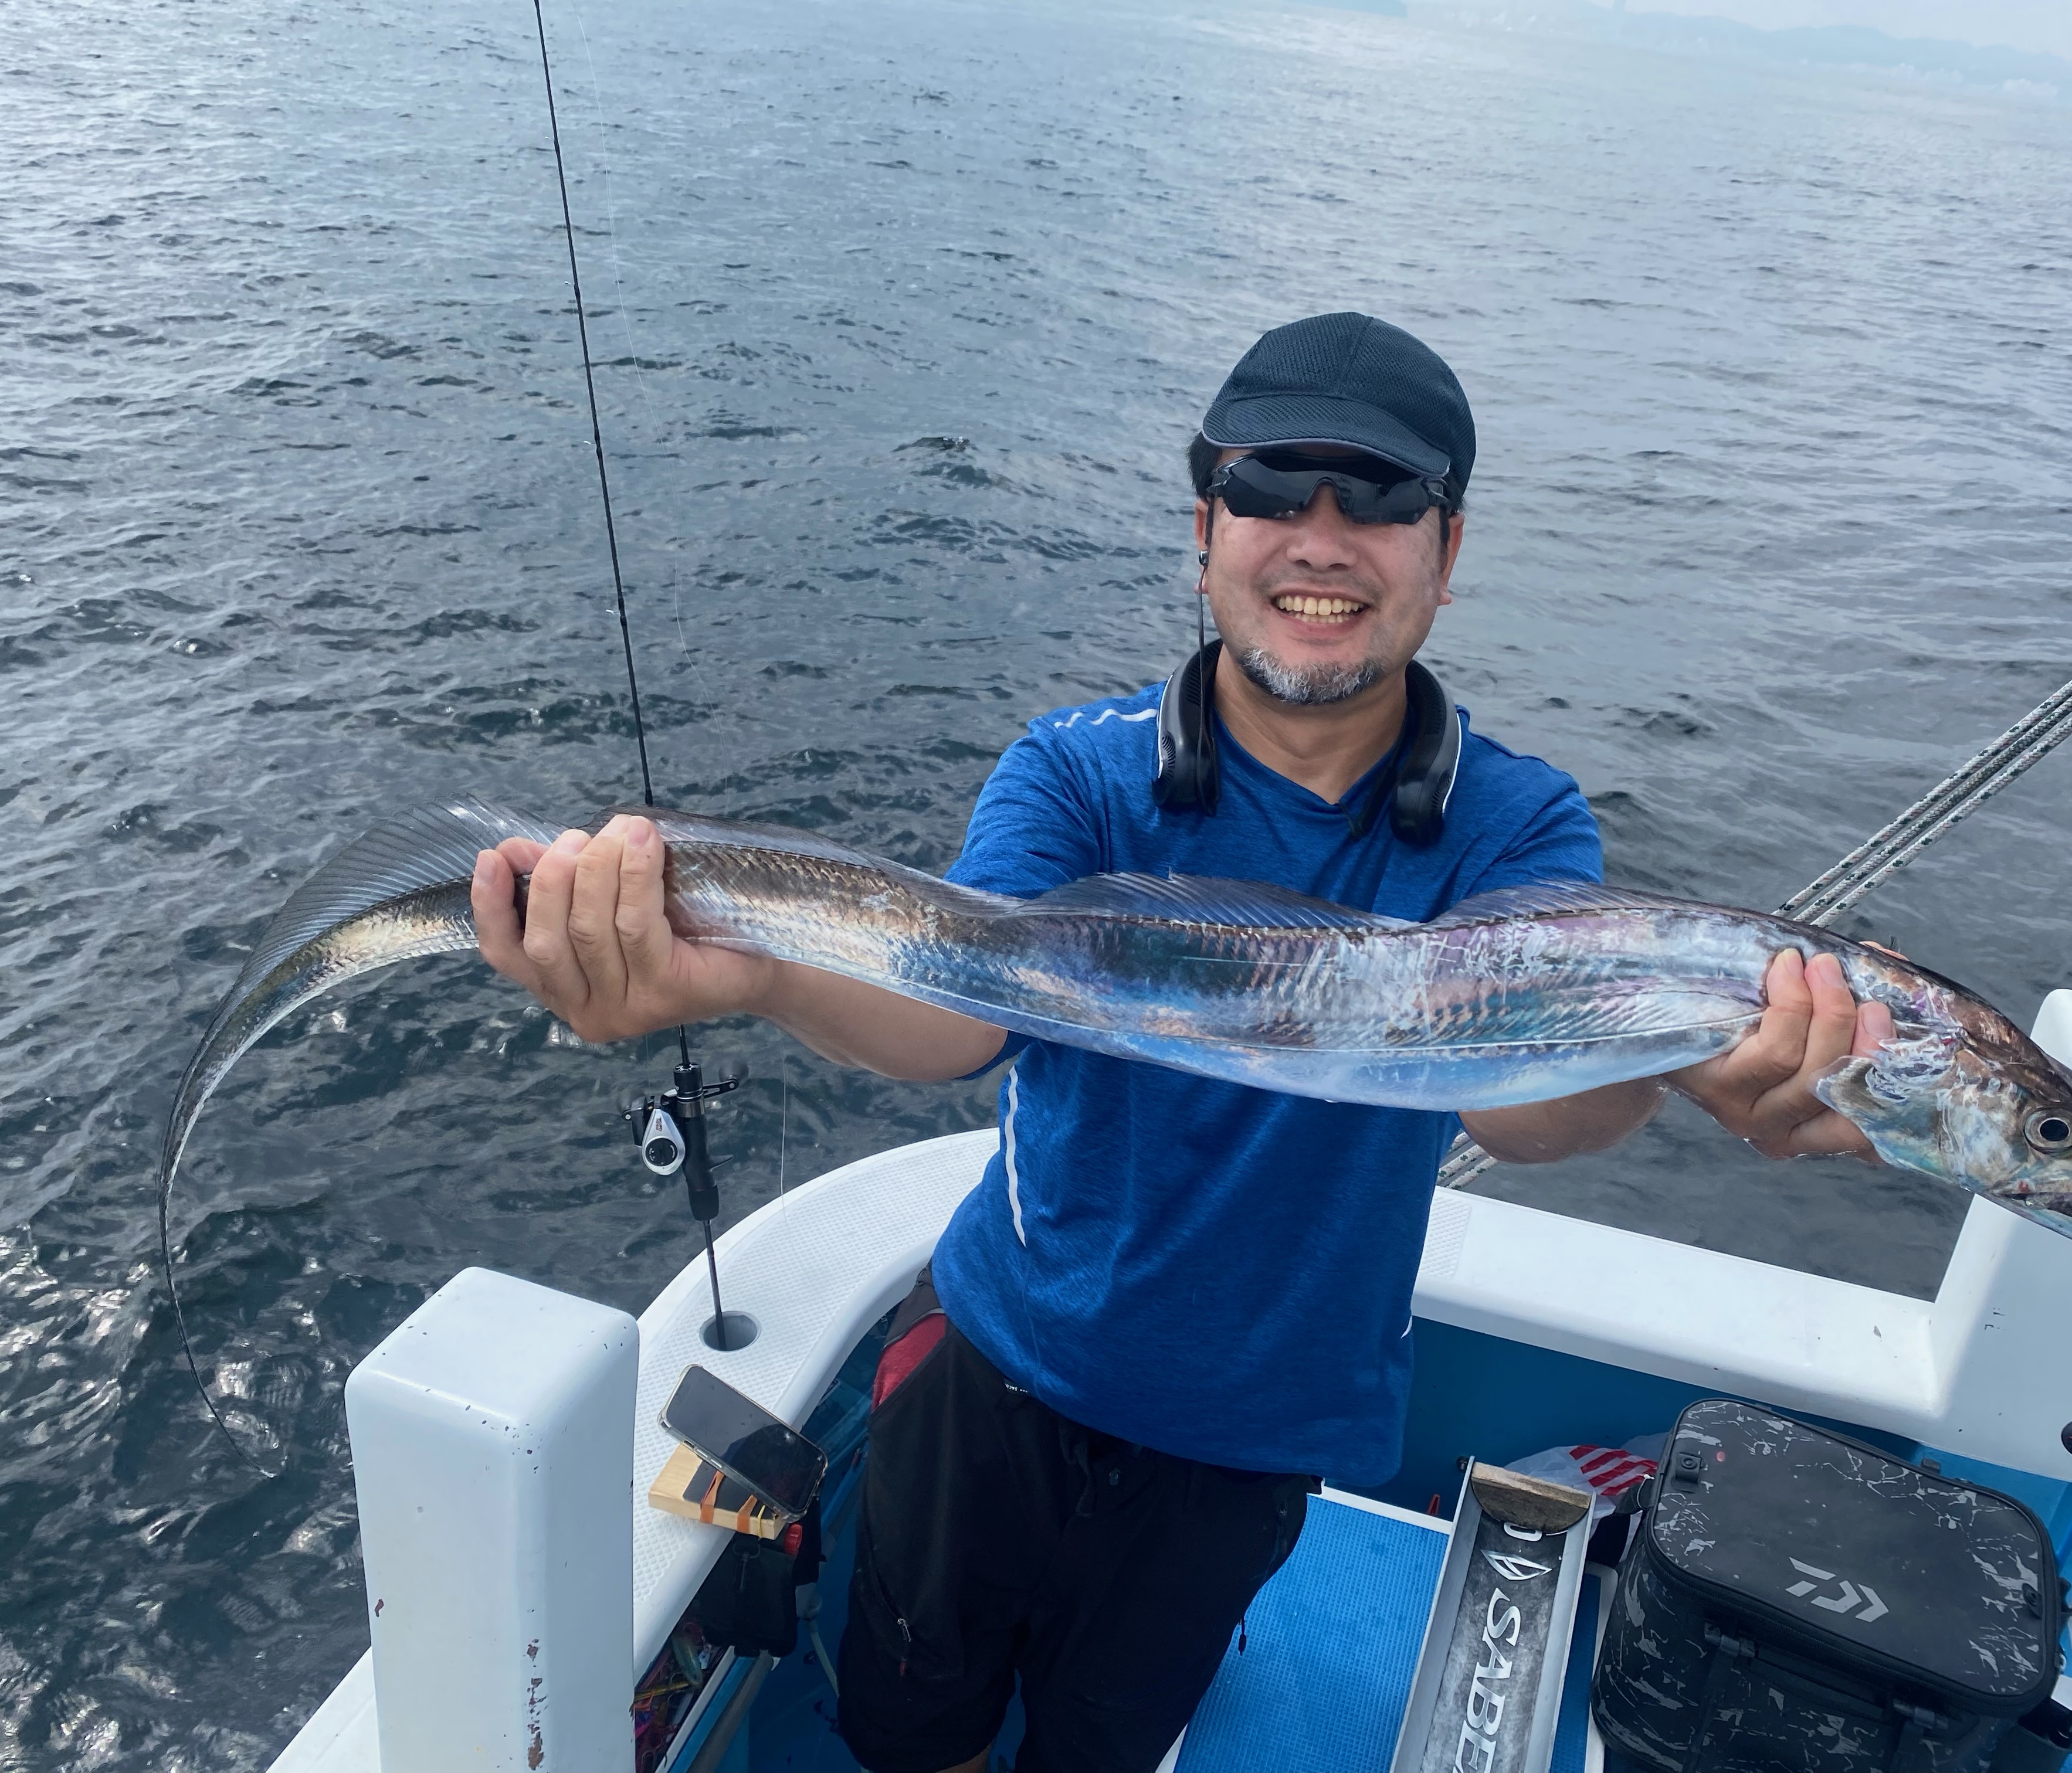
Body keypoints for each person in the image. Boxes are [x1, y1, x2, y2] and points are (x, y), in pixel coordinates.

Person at [470, 312, 1891, 1773]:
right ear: (1207, 532)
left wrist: (1652, 1059)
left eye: (1382, 501)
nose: (1320, 541)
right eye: (1273, 491)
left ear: (1447, 554)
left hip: (1250, 1444)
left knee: (1105, 1741)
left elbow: (1523, 1115)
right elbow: (968, 1006)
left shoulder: (1517, 830)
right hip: (994, 1371)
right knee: (913, 1724)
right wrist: (751, 978)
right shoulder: (1080, 772)